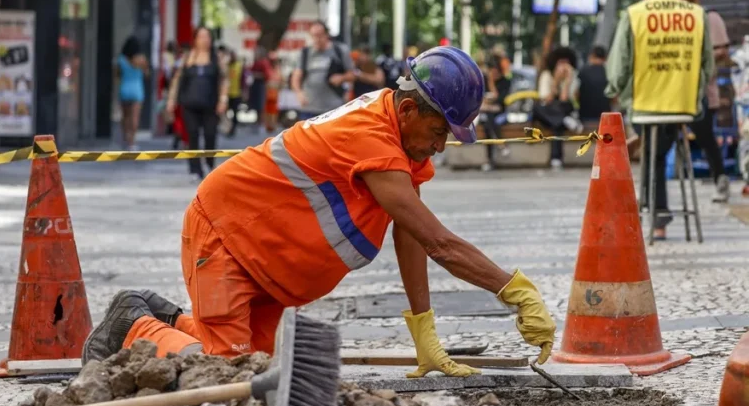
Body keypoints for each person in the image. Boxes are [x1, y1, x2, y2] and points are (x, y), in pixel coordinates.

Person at [82, 46, 556, 378]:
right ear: (409, 109)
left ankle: (162, 317)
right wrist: (512, 290)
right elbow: (439, 242)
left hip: (263, 263)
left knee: (261, 375)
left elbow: (410, 230)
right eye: (439, 131)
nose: (440, 145)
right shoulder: (373, 138)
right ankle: (135, 327)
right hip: (228, 237)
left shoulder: (402, 141)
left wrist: (424, 332)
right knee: (223, 379)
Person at [605, 0, 713, 241]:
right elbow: (707, 67)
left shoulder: (635, 14)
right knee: (657, 152)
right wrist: (692, 93)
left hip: (645, 106)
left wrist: (616, 90)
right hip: (683, 107)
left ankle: (657, 215)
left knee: (651, 152)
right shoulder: (697, 15)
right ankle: (658, 214)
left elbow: (619, 67)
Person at [677, 0, 732, 203]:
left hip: (703, 91)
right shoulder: (673, 19)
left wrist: (701, 57)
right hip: (676, 90)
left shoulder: (710, 18)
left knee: (705, 136)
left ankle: (720, 179)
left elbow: (723, 51)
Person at [166, 26, 230, 183]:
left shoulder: (217, 58)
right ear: (195, 39)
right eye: (200, 36)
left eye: (207, 36)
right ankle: (195, 169)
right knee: (192, 135)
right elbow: (176, 80)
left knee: (210, 134)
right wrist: (171, 100)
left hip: (210, 104)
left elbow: (224, 80)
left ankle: (209, 164)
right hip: (189, 104)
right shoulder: (187, 57)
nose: (204, 40)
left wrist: (223, 99)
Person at [290, 21, 355, 120]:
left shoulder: (340, 50)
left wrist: (342, 77)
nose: (317, 39)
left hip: (334, 107)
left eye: (319, 35)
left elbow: (352, 74)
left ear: (326, 34)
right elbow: (296, 76)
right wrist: (299, 93)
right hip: (310, 107)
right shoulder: (305, 53)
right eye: (314, 36)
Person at [533, 47, 582, 170]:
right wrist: (556, 81)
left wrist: (566, 82)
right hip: (548, 110)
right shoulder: (546, 76)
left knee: (557, 123)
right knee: (538, 107)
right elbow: (546, 100)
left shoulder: (573, 76)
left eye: (566, 62)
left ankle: (556, 158)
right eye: (561, 63)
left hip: (561, 110)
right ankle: (565, 120)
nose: (564, 66)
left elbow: (564, 100)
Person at [116, 36, 149, 151]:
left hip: (124, 88)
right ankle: (132, 141)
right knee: (135, 117)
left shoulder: (121, 60)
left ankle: (125, 138)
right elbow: (146, 74)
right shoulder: (141, 59)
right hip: (137, 88)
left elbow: (117, 75)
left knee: (125, 116)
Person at [575, 46, 611, 122]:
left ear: (591, 56)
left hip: (585, 117)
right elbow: (614, 98)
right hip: (605, 119)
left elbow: (576, 95)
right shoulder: (609, 73)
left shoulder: (582, 72)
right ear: (605, 58)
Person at [227, 51, 247, 137]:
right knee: (226, 113)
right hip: (226, 93)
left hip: (236, 93)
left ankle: (233, 129)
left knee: (235, 112)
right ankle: (227, 127)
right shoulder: (225, 65)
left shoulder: (239, 66)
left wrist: (244, 91)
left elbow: (243, 80)